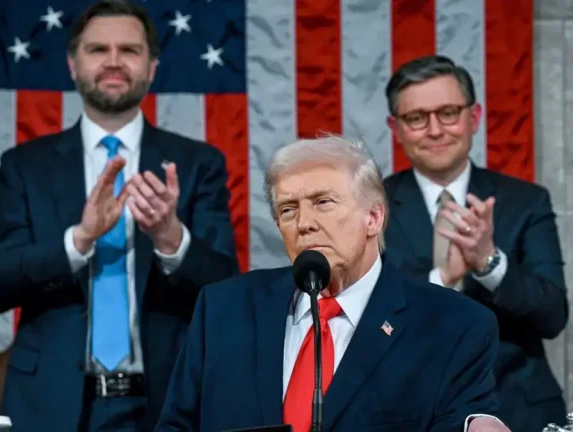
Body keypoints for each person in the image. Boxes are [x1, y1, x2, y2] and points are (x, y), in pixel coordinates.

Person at [0, 1, 239, 430]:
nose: (114, 61)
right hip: (51, 405)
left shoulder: (197, 164)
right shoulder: (25, 166)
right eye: (98, 49)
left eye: (129, 50)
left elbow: (226, 286)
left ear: (152, 68)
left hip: (164, 402)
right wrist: (77, 240)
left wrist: (171, 239)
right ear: (72, 65)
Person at [155, 135, 510, 432]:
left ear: (374, 217)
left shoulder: (452, 325)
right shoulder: (223, 310)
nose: (304, 223)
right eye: (288, 209)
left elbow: (465, 418)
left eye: (323, 202)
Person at [382, 55, 568, 431]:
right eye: (416, 118)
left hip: (517, 410)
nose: (435, 130)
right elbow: (367, 318)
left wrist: (488, 261)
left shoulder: (526, 202)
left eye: (448, 113)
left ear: (475, 117)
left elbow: (552, 317)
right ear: (395, 128)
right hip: (406, 410)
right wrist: (443, 278)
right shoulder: (373, 208)